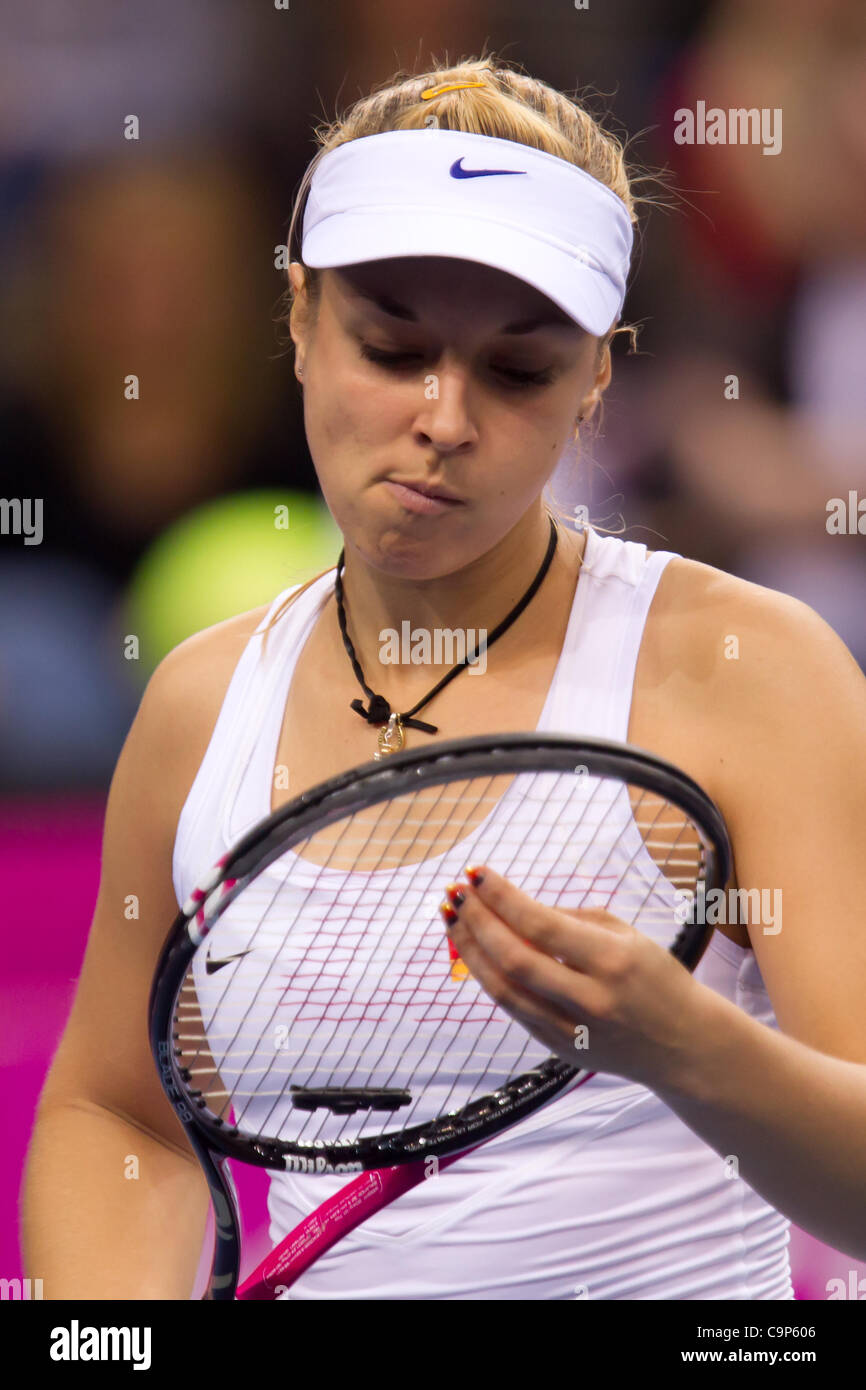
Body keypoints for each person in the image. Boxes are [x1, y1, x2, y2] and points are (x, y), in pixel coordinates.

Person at [22, 56, 866, 1300]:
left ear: (596, 379)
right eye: (391, 345)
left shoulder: (748, 668)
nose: (444, 418)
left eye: (517, 371)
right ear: (299, 318)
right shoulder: (201, 708)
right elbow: (119, 1111)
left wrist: (688, 1050)